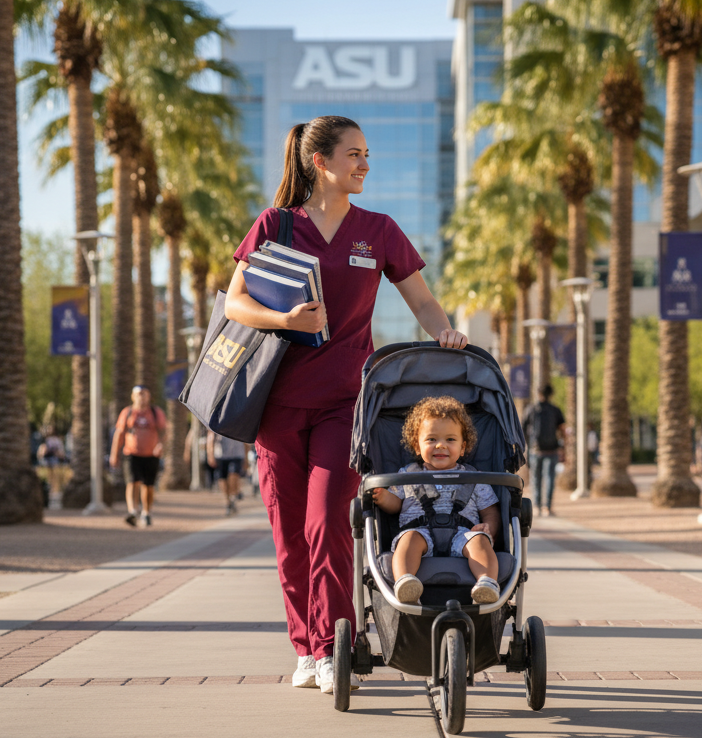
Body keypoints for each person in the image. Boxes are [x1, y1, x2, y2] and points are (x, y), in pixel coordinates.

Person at [225, 115, 466, 695]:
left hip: (346, 402)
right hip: (276, 404)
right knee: (289, 535)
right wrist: (282, 319)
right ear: (320, 162)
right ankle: (304, 647)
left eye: (366, 154)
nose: (363, 164)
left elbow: (421, 299)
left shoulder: (377, 230)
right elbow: (234, 303)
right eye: (353, 154)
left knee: (328, 519)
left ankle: (335, 645)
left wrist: (447, 334)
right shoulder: (276, 225)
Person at [372, 397, 500, 605]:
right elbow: (395, 504)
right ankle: (406, 581)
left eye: (450, 440)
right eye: (431, 439)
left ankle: (486, 582)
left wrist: (489, 529)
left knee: (480, 541)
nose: (441, 445)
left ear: (463, 446)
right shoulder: (406, 475)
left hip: (463, 533)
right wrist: (384, 497)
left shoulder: (475, 478)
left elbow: (490, 511)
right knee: (408, 540)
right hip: (419, 532)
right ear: (417, 445)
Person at [110, 386, 167, 528]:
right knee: (132, 481)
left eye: (145, 394)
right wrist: (114, 454)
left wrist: (161, 445)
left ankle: (146, 512)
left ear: (149, 397)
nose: (142, 397)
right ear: (133, 396)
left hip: (151, 454)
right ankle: (133, 511)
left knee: (148, 485)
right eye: (139, 394)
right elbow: (119, 434)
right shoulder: (127, 412)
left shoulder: (155, 412)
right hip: (131, 453)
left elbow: (164, 431)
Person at [522, 384, 566, 517]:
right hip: (552, 449)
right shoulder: (555, 410)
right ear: (550, 394)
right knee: (550, 478)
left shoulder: (531, 409)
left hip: (536, 450)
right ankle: (547, 507)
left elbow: (523, 429)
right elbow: (562, 429)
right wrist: (562, 446)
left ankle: (536, 506)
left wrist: (525, 445)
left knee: (536, 478)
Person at [207, 432, 247, 515]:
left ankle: (234, 495)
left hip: (237, 454)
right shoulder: (216, 419)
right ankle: (228, 502)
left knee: (234, 476)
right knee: (222, 479)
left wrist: (246, 458)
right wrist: (210, 454)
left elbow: (246, 438)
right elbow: (211, 436)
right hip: (220, 455)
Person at [38, 426, 67, 495]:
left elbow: (60, 451)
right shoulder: (46, 440)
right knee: (49, 477)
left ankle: (55, 491)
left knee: (55, 477)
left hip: (55, 461)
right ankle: (51, 490)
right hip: (47, 461)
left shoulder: (57, 440)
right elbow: (42, 451)